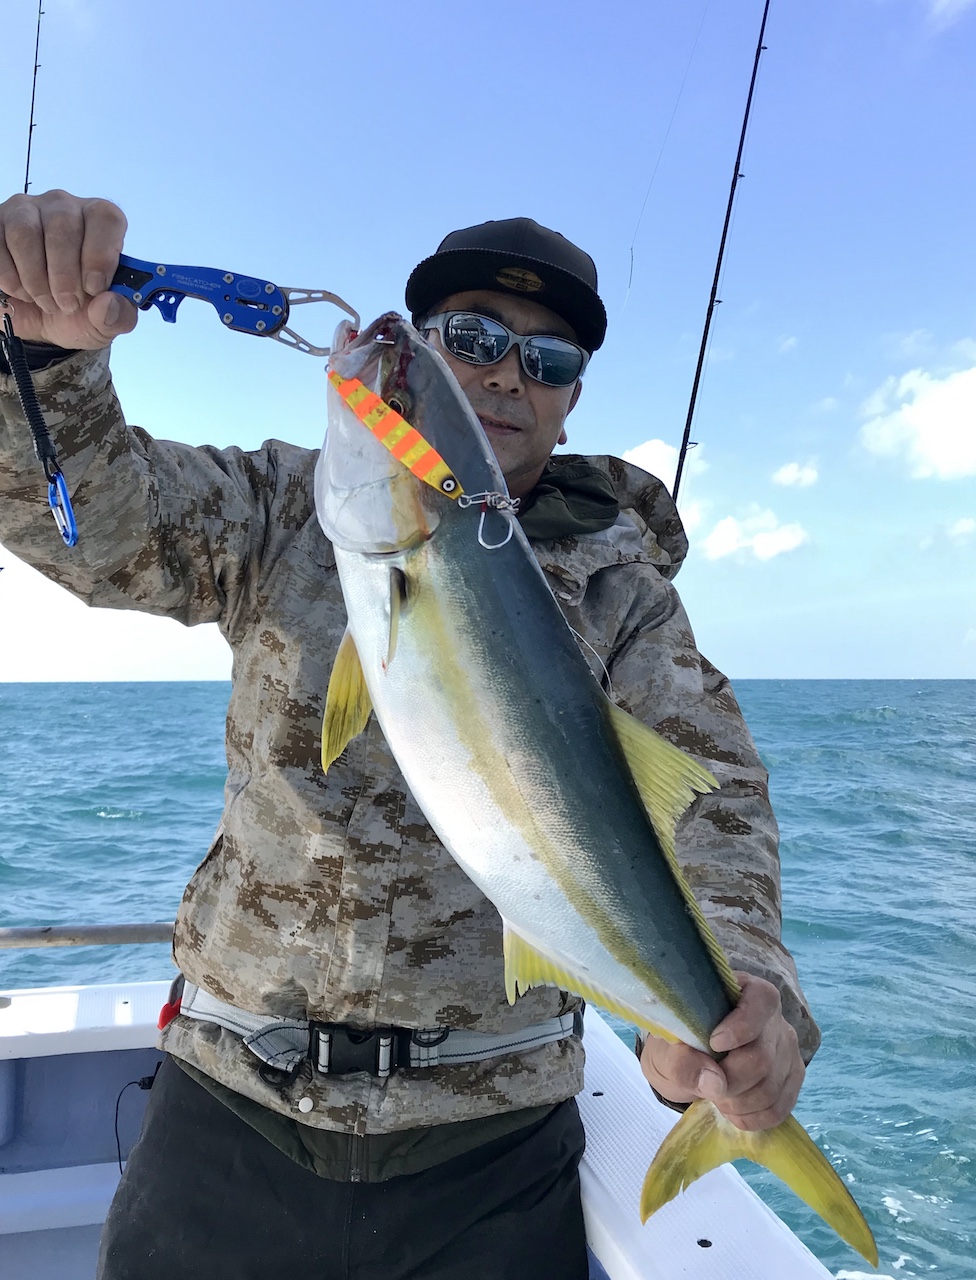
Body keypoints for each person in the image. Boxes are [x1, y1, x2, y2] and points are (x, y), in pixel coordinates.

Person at [0, 190, 818, 1280]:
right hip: (232, 1101)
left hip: (491, 1143)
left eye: (548, 358)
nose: (505, 374)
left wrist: (750, 999)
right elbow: (97, 528)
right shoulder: (287, 508)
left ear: (572, 402)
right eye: (471, 338)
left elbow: (714, 805)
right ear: (423, 348)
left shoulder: (623, 594)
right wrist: (45, 358)